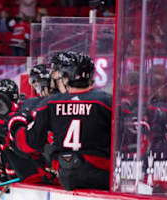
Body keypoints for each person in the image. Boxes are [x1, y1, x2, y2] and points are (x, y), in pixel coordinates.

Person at [8, 52, 112, 190]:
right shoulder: (106, 102)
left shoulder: (49, 104)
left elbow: (30, 143)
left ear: (67, 76)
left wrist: (16, 127)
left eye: (58, 76)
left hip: (66, 175)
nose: (54, 80)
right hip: (102, 176)